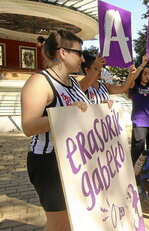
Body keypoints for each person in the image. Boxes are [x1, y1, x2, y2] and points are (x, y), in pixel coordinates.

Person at [21, 30, 104, 230]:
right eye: (79, 53)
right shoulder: (40, 82)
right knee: (58, 223)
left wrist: (102, 107)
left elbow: (81, 111)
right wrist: (64, 113)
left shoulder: (73, 83)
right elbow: (28, 126)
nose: (83, 58)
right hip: (49, 162)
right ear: (63, 53)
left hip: (74, 158)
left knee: (72, 219)